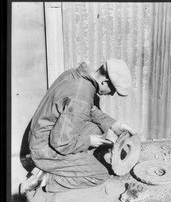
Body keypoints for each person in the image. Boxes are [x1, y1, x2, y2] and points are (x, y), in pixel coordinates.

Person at [19, 59, 135, 193]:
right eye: (113, 89)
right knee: (99, 175)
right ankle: (46, 178)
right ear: (105, 82)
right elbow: (61, 144)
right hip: (45, 150)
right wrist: (89, 141)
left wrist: (114, 124)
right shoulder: (81, 96)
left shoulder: (75, 76)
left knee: (101, 129)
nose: (112, 94)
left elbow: (90, 109)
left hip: (41, 136)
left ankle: (69, 163)